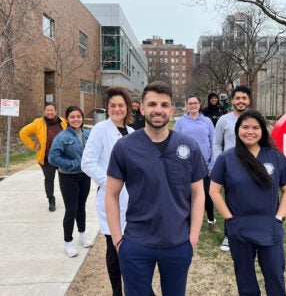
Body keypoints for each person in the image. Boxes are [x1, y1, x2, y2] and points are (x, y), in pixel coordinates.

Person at [105, 81, 206, 296]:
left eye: (164, 104)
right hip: (136, 243)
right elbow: (111, 195)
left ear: (171, 110)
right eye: (152, 104)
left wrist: (193, 236)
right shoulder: (125, 147)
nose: (157, 110)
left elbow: (198, 193)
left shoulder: (189, 146)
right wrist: (117, 240)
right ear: (142, 108)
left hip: (177, 242)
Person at [210, 110, 286, 295]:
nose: (250, 131)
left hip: (269, 227)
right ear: (237, 130)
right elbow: (214, 191)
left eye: (255, 127)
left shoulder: (274, 156)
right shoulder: (226, 158)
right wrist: (229, 218)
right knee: (245, 280)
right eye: (245, 127)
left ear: (263, 131)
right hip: (239, 228)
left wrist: (279, 218)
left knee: (275, 276)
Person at [81, 86, 135, 296]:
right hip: (110, 198)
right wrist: (112, 182)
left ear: (127, 107)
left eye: (121, 105)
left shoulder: (131, 132)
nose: (116, 109)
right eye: (112, 105)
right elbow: (87, 163)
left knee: (131, 249)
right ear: (107, 107)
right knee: (114, 247)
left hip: (132, 201)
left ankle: (135, 287)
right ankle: (116, 292)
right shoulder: (100, 129)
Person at [48, 106, 92, 258]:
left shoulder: (88, 133)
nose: (76, 119)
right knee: (70, 210)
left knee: (81, 207)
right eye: (72, 117)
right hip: (68, 177)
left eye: (78, 116)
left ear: (82, 118)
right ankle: (68, 242)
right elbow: (53, 158)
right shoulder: (61, 137)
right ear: (67, 119)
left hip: (85, 176)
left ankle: (82, 234)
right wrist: (73, 164)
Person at [174, 95, 220, 233]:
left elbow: (214, 143)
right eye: (190, 103)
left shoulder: (207, 121)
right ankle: (186, 221)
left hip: (205, 166)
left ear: (200, 104)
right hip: (185, 165)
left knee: (206, 193)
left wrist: (212, 164)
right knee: (186, 194)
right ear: (187, 105)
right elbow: (174, 142)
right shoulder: (181, 122)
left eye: (195, 103)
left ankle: (211, 221)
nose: (193, 105)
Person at [214, 85, 251, 251]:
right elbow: (216, 143)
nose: (240, 101)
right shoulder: (224, 120)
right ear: (232, 100)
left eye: (244, 98)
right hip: (231, 167)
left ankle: (248, 233)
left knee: (250, 201)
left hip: (251, 167)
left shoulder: (254, 119)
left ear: (249, 100)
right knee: (231, 202)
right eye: (238, 98)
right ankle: (229, 236)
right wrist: (218, 163)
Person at [19, 103, 67, 212]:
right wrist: (33, 145)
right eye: (47, 110)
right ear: (44, 111)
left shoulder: (63, 122)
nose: (50, 112)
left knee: (65, 180)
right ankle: (51, 200)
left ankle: (68, 199)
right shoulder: (38, 123)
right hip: (47, 158)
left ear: (56, 111)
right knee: (49, 180)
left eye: (52, 110)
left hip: (62, 158)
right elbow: (23, 133)